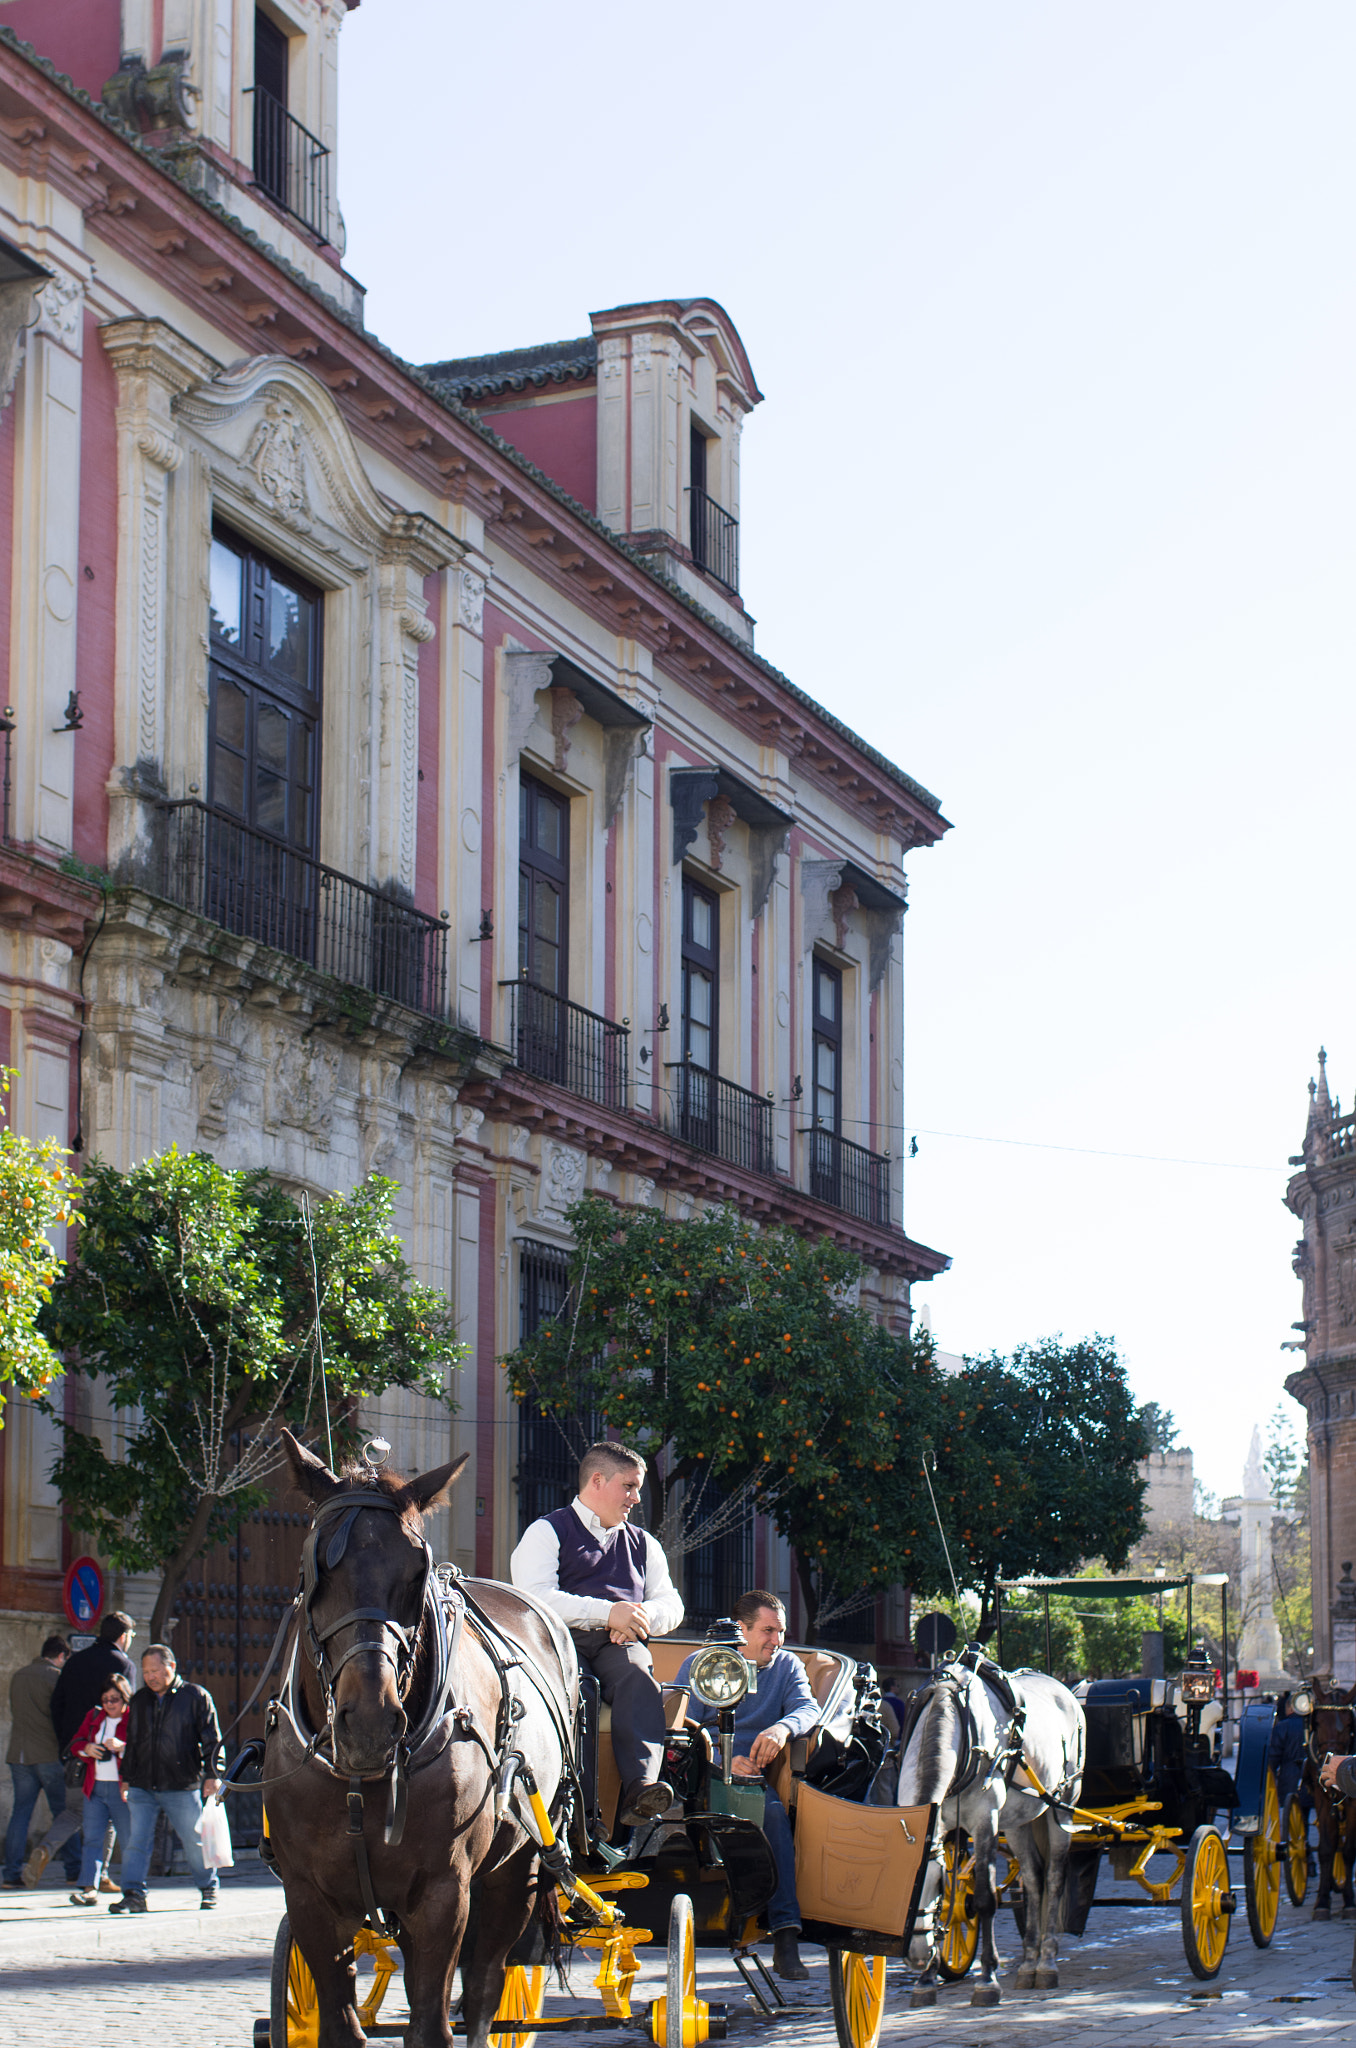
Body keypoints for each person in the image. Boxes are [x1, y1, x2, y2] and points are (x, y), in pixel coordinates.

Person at [511, 1440, 683, 1825]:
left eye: (637, 1488)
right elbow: (535, 1597)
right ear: (597, 1480)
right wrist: (609, 1614)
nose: (636, 1498)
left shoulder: (644, 1544)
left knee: (640, 1678)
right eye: (629, 1486)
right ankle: (579, 1812)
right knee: (581, 1694)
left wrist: (637, 1619)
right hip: (559, 1644)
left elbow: (672, 1605)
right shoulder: (546, 1532)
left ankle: (641, 1790)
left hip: (620, 1644)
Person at [677, 1590, 819, 1982]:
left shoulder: (787, 1666)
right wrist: (720, 1759)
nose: (776, 1640)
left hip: (753, 1783)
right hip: (700, 1777)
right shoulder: (700, 1663)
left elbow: (808, 1708)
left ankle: (786, 1934)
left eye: (781, 1632)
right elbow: (678, 1727)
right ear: (741, 1629)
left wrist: (780, 1728)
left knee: (773, 1814)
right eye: (768, 1630)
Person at [112, 1644, 224, 1913]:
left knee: (194, 1840)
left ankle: (208, 1887)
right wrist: (126, 1777)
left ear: (170, 1667)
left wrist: (214, 1774)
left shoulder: (196, 1696)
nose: (150, 1676)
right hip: (142, 1784)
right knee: (136, 1841)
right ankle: (133, 1894)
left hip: (181, 1783)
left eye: (155, 1670)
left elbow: (212, 1739)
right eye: (146, 1671)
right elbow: (134, 1741)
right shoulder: (139, 1700)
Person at [3, 1634, 80, 1890]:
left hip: (19, 1755)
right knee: (64, 1814)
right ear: (61, 1656)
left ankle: (11, 1873)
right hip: (47, 1755)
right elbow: (59, 1716)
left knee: (20, 1813)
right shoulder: (55, 1677)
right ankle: (74, 1869)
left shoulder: (19, 1675)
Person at [68, 1673, 132, 1906]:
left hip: (122, 1789)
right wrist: (88, 1748)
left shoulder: (133, 1719)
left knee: (128, 1840)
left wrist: (122, 1747)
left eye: (115, 1699)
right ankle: (89, 1888)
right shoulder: (95, 1716)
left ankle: (132, 1889)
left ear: (125, 1699)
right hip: (94, 1788)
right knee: (92, 1839)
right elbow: (75, 1742)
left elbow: (144, 1749)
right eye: (106, 1699)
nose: (109, 1704)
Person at [50, 1612, 137, 1754]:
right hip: (107, 1748)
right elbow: (128, 1709)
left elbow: (56, 1704)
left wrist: (66, 1740)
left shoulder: (74, 1661)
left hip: (76, 1745)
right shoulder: (124, 1665)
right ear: (123, 1637)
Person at [1269, 1692, 1309, 1809]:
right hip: (1310, 1779)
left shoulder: (1283, 1726)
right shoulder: (1313, 1725)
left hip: (1289, 1778)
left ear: (1291, 1707)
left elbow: (1273, 1757)